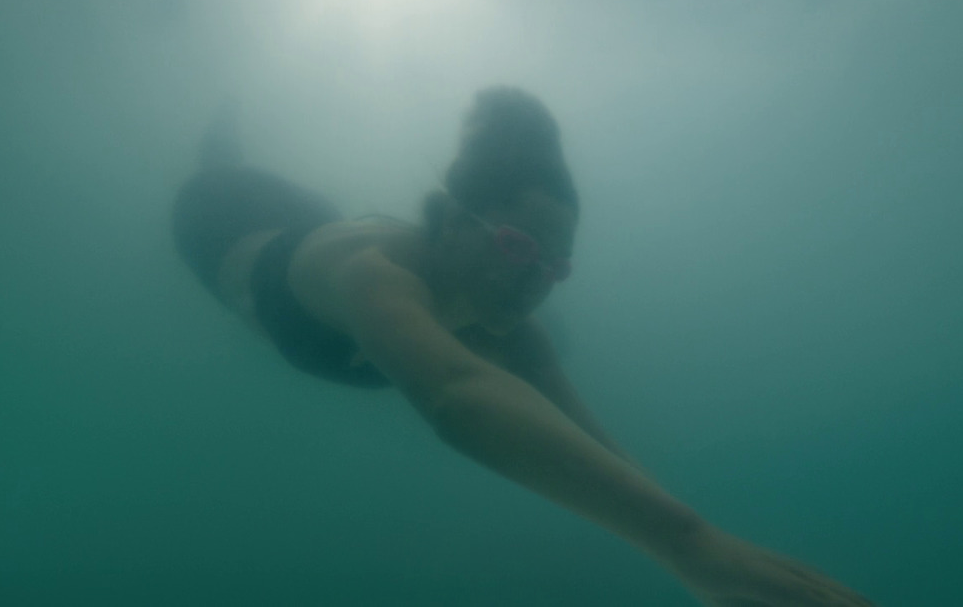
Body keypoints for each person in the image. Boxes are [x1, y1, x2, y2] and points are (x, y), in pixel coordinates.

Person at [172, 87, 873, 606]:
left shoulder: (509, 322)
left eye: (554, 267)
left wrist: (712, 545)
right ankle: (220, 143)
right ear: (450, 221)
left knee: (512, 336)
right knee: (231, 176)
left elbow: (593, 447)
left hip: (316, 228)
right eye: (515, 247)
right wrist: (686, 550)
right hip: (218, 216)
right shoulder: (372, 278)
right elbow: (456, 397)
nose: (532, 282)